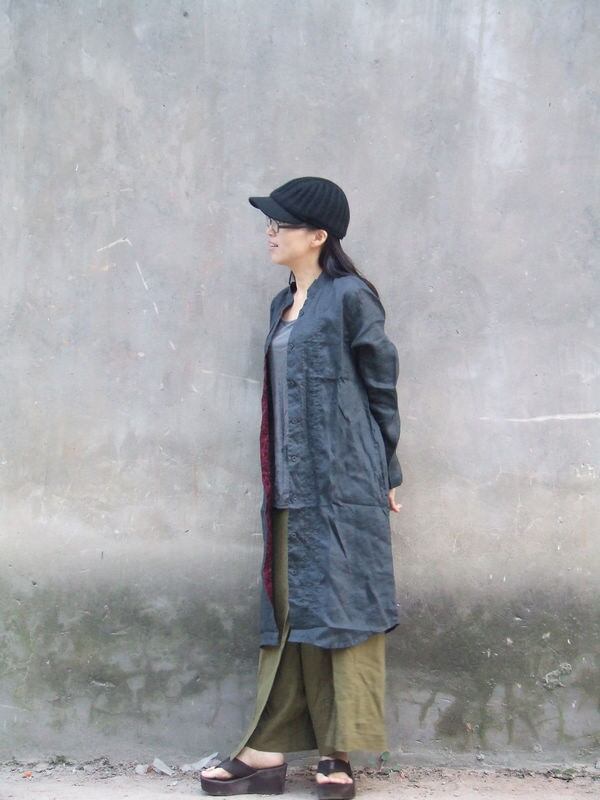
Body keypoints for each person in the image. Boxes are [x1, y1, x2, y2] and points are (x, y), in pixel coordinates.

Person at [200, 177, 403, 799]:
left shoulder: (350, 297)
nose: (270, 232)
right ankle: (265, 752)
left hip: (343, 485)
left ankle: (337, 754)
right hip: (288, 487)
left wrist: (388, 471)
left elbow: (381, 386)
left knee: (341, 611)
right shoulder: (280, 304)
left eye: (281, 224)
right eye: (270, 223)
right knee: (288, 616)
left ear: (318, 236)